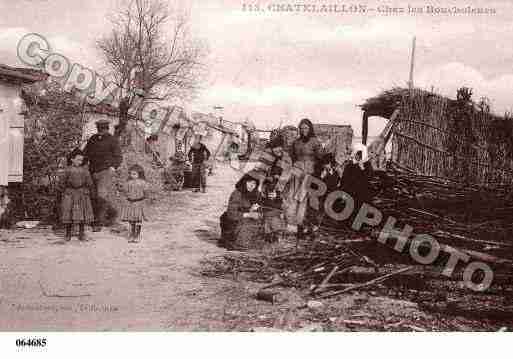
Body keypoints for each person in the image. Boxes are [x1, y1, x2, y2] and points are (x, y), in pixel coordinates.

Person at [284, 118, 322, 237]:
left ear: (310, 128)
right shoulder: (296, 142)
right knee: (293, 198)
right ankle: (294, 225)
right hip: (297, 173)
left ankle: (305, 226)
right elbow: (291, 157)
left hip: (309, 174)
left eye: (306, 128)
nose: (303, 130)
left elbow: (321, 157)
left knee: (305, 200)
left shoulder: (315, 141)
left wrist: (317, 173)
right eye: (301, 128)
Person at [83, 119, 123, 231]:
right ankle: (110, 215)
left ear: (107, 128)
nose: (101, 131)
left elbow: (119, 157)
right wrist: (79, 163)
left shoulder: (112, 140)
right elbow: (86, 154)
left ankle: (99, 222)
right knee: (93, 196)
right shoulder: (92, 139)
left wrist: (113, 167)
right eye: (99, 129)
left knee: (101, 195)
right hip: (92, 171)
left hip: (105, 171)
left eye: (103, 128)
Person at [219, 173, 262, 250]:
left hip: (246, 220)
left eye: (254, 183)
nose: (251, 185)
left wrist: (255, 210)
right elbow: (231, 214)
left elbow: (261, 208)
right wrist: (248, 214)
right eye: (249, 182)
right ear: (244, 182)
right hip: (233, 222)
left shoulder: (256, 194)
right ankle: (236, 242)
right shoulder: (237, 194)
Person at [60, 148, 95, 241]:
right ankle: (68, 233)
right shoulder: (67, 170)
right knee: (69, 213)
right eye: (78, 159)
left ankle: (81, 233)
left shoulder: (84, 170)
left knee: (82, 213)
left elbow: (90, 183)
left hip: (81, 194)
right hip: (70, 194)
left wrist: (88, 190)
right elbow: (62, 183)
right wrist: (65, 191)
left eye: (81, 160)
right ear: (72, 159)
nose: (80, 162)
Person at [339, 144, 373, 224]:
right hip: (350, 191)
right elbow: (344, 179)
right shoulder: (350, 165)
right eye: (357, 154)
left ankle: (358, 226)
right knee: (349, 208)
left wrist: (362, 169)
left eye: (360, 155)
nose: (358, 157)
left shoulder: (367, 165)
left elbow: (369, 177)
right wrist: (343, 191)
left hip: (362, 192)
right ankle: (347, 224)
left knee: (360, 207)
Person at [120, 164, 152, 243]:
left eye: (134, 174)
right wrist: (126, 196)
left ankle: (137, 236)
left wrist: (145, 200)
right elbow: (125, 191)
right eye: (131, 174)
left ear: (139, 174)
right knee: (131, 220)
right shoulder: (128, 183)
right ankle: (131, 234)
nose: (132, 175)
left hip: (139, 203)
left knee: (138, 220)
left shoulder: (143, 183)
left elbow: (146, 193)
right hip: (130, 203)